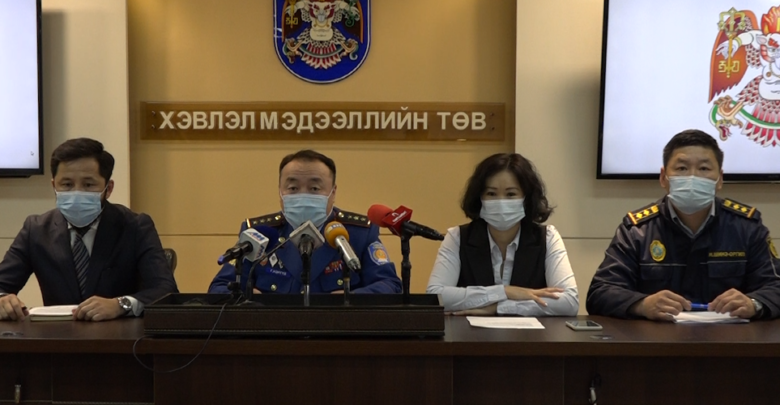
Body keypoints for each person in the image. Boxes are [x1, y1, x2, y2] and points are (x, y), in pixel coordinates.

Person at [587, 129, 780, 320]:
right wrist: (642, 305)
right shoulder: (637, 230)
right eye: (681, 169)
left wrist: (754, 304)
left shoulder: (747, 227)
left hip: (729, 337)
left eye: (704, 169)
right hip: (657, 337)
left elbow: (775, 286)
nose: (692, 177)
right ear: (663, 178)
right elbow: (601, 291)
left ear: (720, 179)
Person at [0, 138, 178, 321]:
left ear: (108, 188)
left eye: (88, 185)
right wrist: (3, 300)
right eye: (67, 185)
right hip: (56, 334)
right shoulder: (36, 229)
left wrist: (120, 304)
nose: (77, 192)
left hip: (119, 334)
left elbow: (166, 290)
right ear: (54, 186)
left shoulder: (136, 226)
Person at [208, 150, 401, 295]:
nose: (303, 195)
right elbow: (219, 287)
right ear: (280, 191)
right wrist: (247, 300)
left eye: (314, 188)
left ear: (333, 192)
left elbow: (389, 285)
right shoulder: (260, 233)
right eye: (292, 188)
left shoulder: (358, 233)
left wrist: (348, 301)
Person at [426, 153, 579, 315]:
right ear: (479, 198)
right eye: (491, 194)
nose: (500, 201)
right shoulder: (457, 237)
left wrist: (499, 307)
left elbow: (569, 302)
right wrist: (504, 291)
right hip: (469, 331)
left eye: (511, 194)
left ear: (526, 199)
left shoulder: (547, 237)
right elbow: (435, 296)